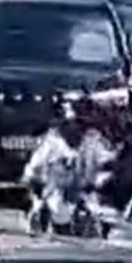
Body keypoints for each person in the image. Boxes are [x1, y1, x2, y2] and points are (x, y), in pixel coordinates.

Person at [22, 94, 117, 235]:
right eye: (75, 123)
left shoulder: (93, 141)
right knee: (50, 211)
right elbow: (33, 170)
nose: (78, 129)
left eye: (81, 124)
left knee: (100, 217)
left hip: (84, 196)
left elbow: (107, 164)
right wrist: (37, 190)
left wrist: (100, 181)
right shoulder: (51, 143)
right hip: (54, 195)